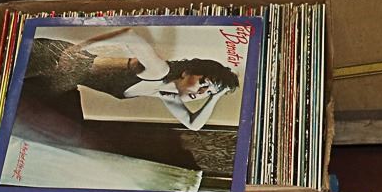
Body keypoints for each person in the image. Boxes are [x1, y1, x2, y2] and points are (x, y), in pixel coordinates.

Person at [25, 27, 240, 132]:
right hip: (54, 60)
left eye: (207, 93)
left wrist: (215, 96)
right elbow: (129, 34)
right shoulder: (159, 71)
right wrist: (78, 48)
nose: (201, 93)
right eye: (203, 83)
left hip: (62, 81)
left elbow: (194, 125)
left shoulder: (166, 94)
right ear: (187, 72)